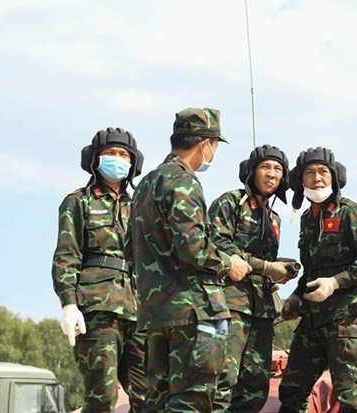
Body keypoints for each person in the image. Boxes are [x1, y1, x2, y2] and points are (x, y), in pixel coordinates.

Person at [129, 107, 252, 412]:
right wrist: (229, 264)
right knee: (191, 401)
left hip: (157, 314)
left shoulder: (146, 184)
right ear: (205, 144)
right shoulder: (183, 181)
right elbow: (193, 248)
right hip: (193, 312)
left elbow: (131, 249)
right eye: (214, 146)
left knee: (157, 401)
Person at [278, 147, 357, 413]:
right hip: (312, 321)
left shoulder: (351, 213)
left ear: (334, 177)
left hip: (345, 320)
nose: (317, 178)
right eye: (310, 173)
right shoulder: (307, 219)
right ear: (300, 181)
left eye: (323, 172)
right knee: (291, 393)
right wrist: (296, 297)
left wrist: (335, 282)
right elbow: (312, 271)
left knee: (350, 398)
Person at [51, 127, 147, 412]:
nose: (117, 158)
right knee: (102, 398)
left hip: (139, 312)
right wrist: (69, 304)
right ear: (95, 159)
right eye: (110, 153)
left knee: (151, 398)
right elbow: (67, 254)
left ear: (133, 162)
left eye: (123, 154)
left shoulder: (140, 206)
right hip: (97, 311)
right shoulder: (78, 202)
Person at [208, 145, 300, 412]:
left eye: (278, 169)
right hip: (229, 305)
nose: (271, 174)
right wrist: (267, 266)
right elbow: (217, 244)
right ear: (251, 171)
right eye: (265, 167)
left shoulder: (274, 218)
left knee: (255, 385)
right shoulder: (230, 203)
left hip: (262, 310)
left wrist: (278, 271)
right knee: (222, 379)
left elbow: (263, 264)